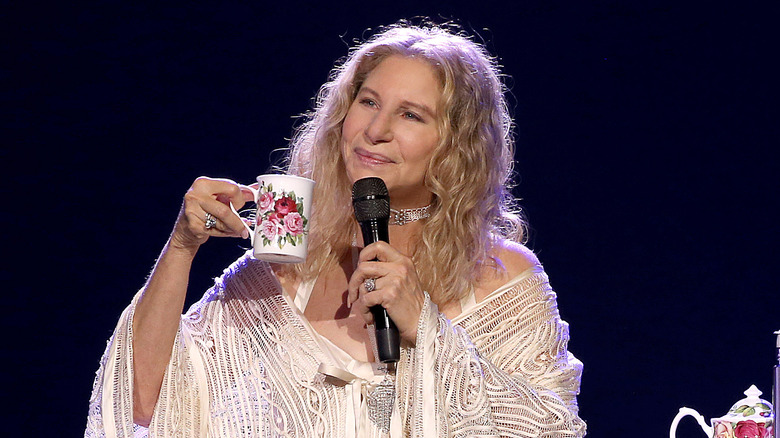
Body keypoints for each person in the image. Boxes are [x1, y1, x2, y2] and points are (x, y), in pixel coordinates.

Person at [86, 22, 586, 437]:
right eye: (368, 102)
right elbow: (143, 401)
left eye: (410, 115)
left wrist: (426, 331)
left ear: (457, 147)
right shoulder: (291, 244)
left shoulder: (501, 275)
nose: (376, 130)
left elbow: (549, 428)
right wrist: (182, 245)